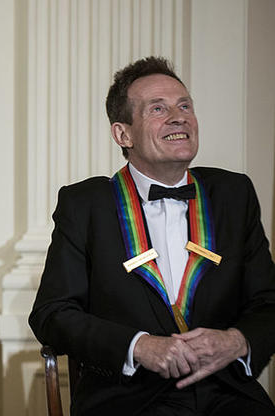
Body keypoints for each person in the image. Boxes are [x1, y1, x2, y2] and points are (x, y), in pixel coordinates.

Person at [30, 56, 275, 415]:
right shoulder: (85, 204)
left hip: (227, 393)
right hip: (131, 398)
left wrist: (236, 341)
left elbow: (267, 302)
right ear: (122, 134)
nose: (179, 117)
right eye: (157, 108)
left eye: (185, 105)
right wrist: (139, 347)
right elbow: (52, 314)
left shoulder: (233, 194)